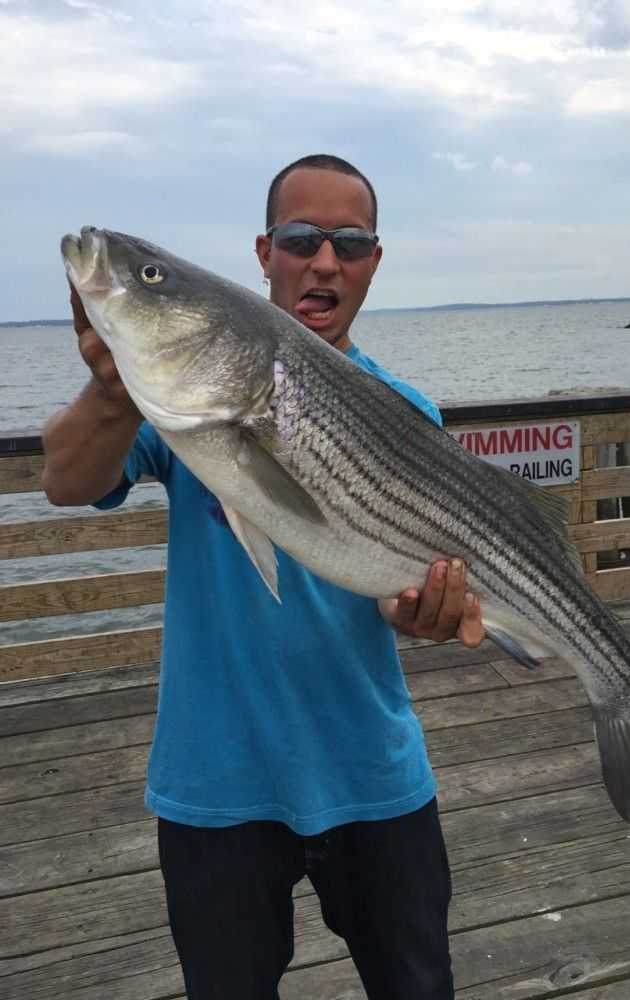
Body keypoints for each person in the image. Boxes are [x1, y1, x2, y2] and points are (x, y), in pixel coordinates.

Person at [42, 154, 485, 999]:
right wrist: (110, 391)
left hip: (372, 772)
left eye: (349, 243)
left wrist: (424, 610)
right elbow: (66, 481)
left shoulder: (406, 411)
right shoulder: (165, 403)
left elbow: (399, 589)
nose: (324, 261)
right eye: (301, 239)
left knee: (418, 986)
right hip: (216, 780)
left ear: (374, 261)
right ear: (264, 251)